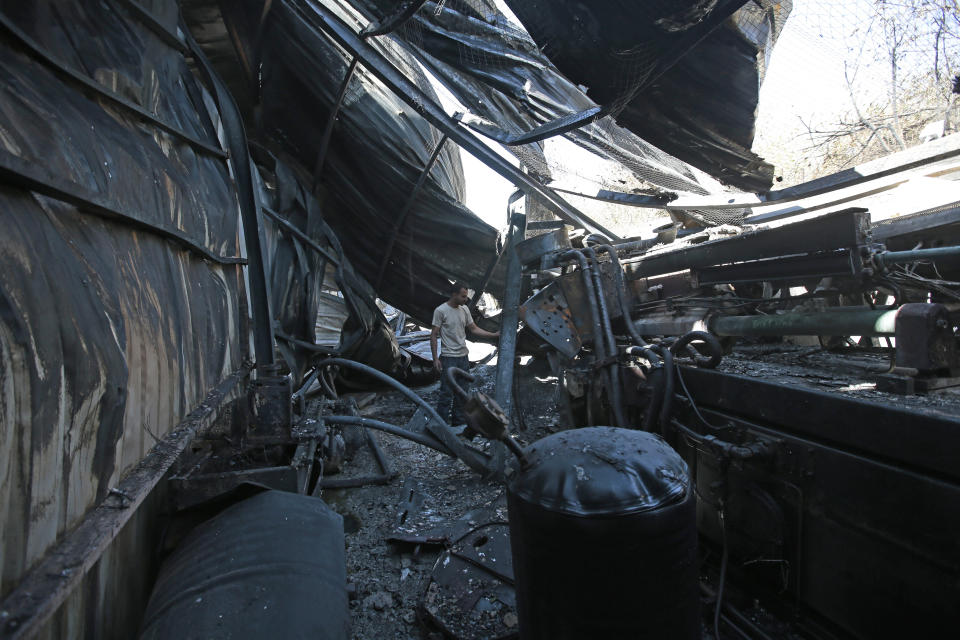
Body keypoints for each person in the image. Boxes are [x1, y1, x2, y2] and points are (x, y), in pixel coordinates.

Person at [431, 282, 499, 429]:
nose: (465, 299)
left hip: (463, 358)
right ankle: (440, 427)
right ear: (454, 294)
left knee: (462, 393)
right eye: (463, 296)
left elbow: (474, 329)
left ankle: (458, 423)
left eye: (466, 296)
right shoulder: (440, 311)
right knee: (446, 394)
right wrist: (435, 359)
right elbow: (434, 334)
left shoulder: (465, 310)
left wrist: (493, 335)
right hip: (448, 358)